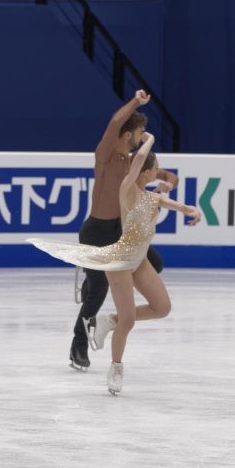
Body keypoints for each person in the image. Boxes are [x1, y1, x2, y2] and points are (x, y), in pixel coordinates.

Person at [28, 132, 202, 394]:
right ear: (144, 171)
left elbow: (178, 205)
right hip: (120, 262)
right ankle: (116, 367)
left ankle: (108, 320)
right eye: (155, 169)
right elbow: (139, 158)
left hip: (139, 261)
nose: (158, 172)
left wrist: (193, 210)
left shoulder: (153, 197)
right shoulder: (127, 190)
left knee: (162, 307)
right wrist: (150, 139)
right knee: (129, 322)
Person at [66, 90, 178, 372]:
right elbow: (115, 122)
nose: (143, 137)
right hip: (97, 232)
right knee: (99, 291)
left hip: (121, 232)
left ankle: (95, 283)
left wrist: (167, 178)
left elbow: (154, 172)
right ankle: (79, 344)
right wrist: (136, 103)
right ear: (129, 134)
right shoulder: (105, 154)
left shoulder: (130, 162)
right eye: (141, 132)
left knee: (155, 263)